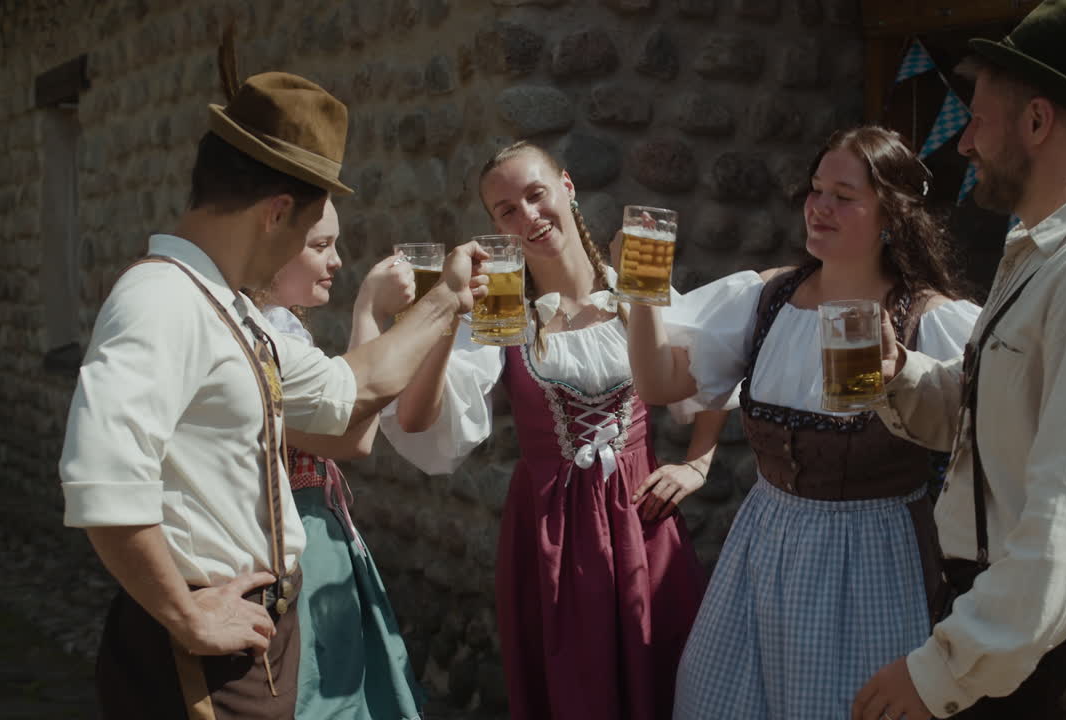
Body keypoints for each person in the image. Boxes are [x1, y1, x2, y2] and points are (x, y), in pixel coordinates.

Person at [58, 70, 485, 718]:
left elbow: (351, 390)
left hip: (256, 639)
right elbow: (103, 482)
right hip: (204, 649)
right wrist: (187, 616)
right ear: (276, 212)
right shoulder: (160, 300)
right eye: (310, 232)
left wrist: (448, 301)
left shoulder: (225, 307)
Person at [850, 2, 1066, 719]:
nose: (965, 143)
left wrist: (941, 671)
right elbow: (996, 415)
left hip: (1063, 649)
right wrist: (898, 376)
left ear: (1037, 123)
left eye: (978, 119)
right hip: (1018, 630)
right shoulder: (1043, 255)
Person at [626, 125, 981, 719]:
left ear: (890, 214)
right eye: (816, 190)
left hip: (873, 557)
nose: (820, 207)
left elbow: (985, 441)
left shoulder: (931, 320)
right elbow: (658, 383)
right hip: (764, 547)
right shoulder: (766, 299)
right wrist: (640, 291)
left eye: (844, 196)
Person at [379, 141, 726, 719]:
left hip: (643, 523)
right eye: (506, 210)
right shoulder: (502, 313)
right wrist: (448, 315)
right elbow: (417, 419)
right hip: (551, 533)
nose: (528, 216)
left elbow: (712, 371)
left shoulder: (633, 283)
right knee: (574, 690)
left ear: (566, 187)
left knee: (659, 679)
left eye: (535, 195)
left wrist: (699, 462)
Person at [254, 201, 425, 719]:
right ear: (272, 249)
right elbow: (352, 435)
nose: (336, 262)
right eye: (320, 246)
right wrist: (368, 312)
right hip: (289, 548)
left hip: (321, 535)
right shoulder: (259, 340)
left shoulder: (284, 328)